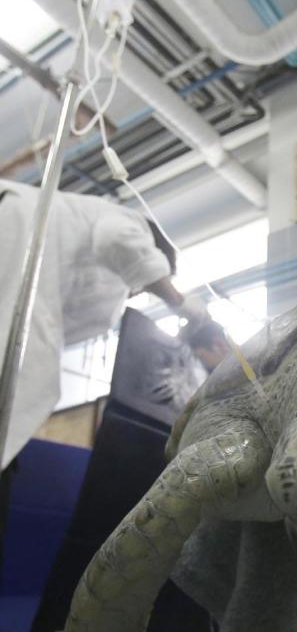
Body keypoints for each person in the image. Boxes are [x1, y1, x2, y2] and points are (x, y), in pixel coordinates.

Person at [0, 180, 209, 585]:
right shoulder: (124, 220)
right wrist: (182, 303)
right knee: (17, 399)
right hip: (16, 257)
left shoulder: (69, 226)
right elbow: (120, 242)